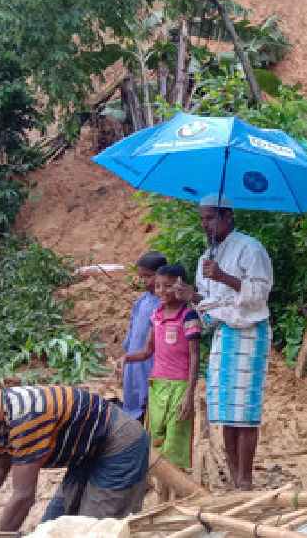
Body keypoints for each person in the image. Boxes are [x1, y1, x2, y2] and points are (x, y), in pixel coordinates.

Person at [0, 369, 149, 531]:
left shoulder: (24, 418)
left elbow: (23, 497)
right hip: (86, 451)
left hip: (118, 445)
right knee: (52, 526)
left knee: (94, 531)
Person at [174, 203, 272, 491]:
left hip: (249, 333)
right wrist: (191, 296)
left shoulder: (250, 249)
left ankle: (246, 479)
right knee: (226, 412)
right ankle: (235, 478)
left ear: (228, 216)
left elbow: (259, 295)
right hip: (221, 335)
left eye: (211, 218)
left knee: (245, 413)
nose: (205, 225)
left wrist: (222, 277)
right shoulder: (206, 257)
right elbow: (208, 306)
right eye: (202, 219)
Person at [122, 264, 202, 471]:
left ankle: (175, 492)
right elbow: (148, 351)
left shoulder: (188, 317)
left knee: (175, 441)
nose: (161, 291)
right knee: (156, 438)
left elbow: (195, 356)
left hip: (180, 387)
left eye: (167, 286)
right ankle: (162, 490)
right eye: (158, 286)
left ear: (180, 286)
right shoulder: (156, 316)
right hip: (157, 386)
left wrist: (189, 394)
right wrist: (126, 359)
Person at [120, 251, 167, 423]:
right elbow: (132, 332)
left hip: (151, 364)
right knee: (132, 407)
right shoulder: (141, 301)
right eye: (142, 277)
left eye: (148, 276)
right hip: (134, 363)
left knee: (149, 408)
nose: (144, 281)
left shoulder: (165, 305)